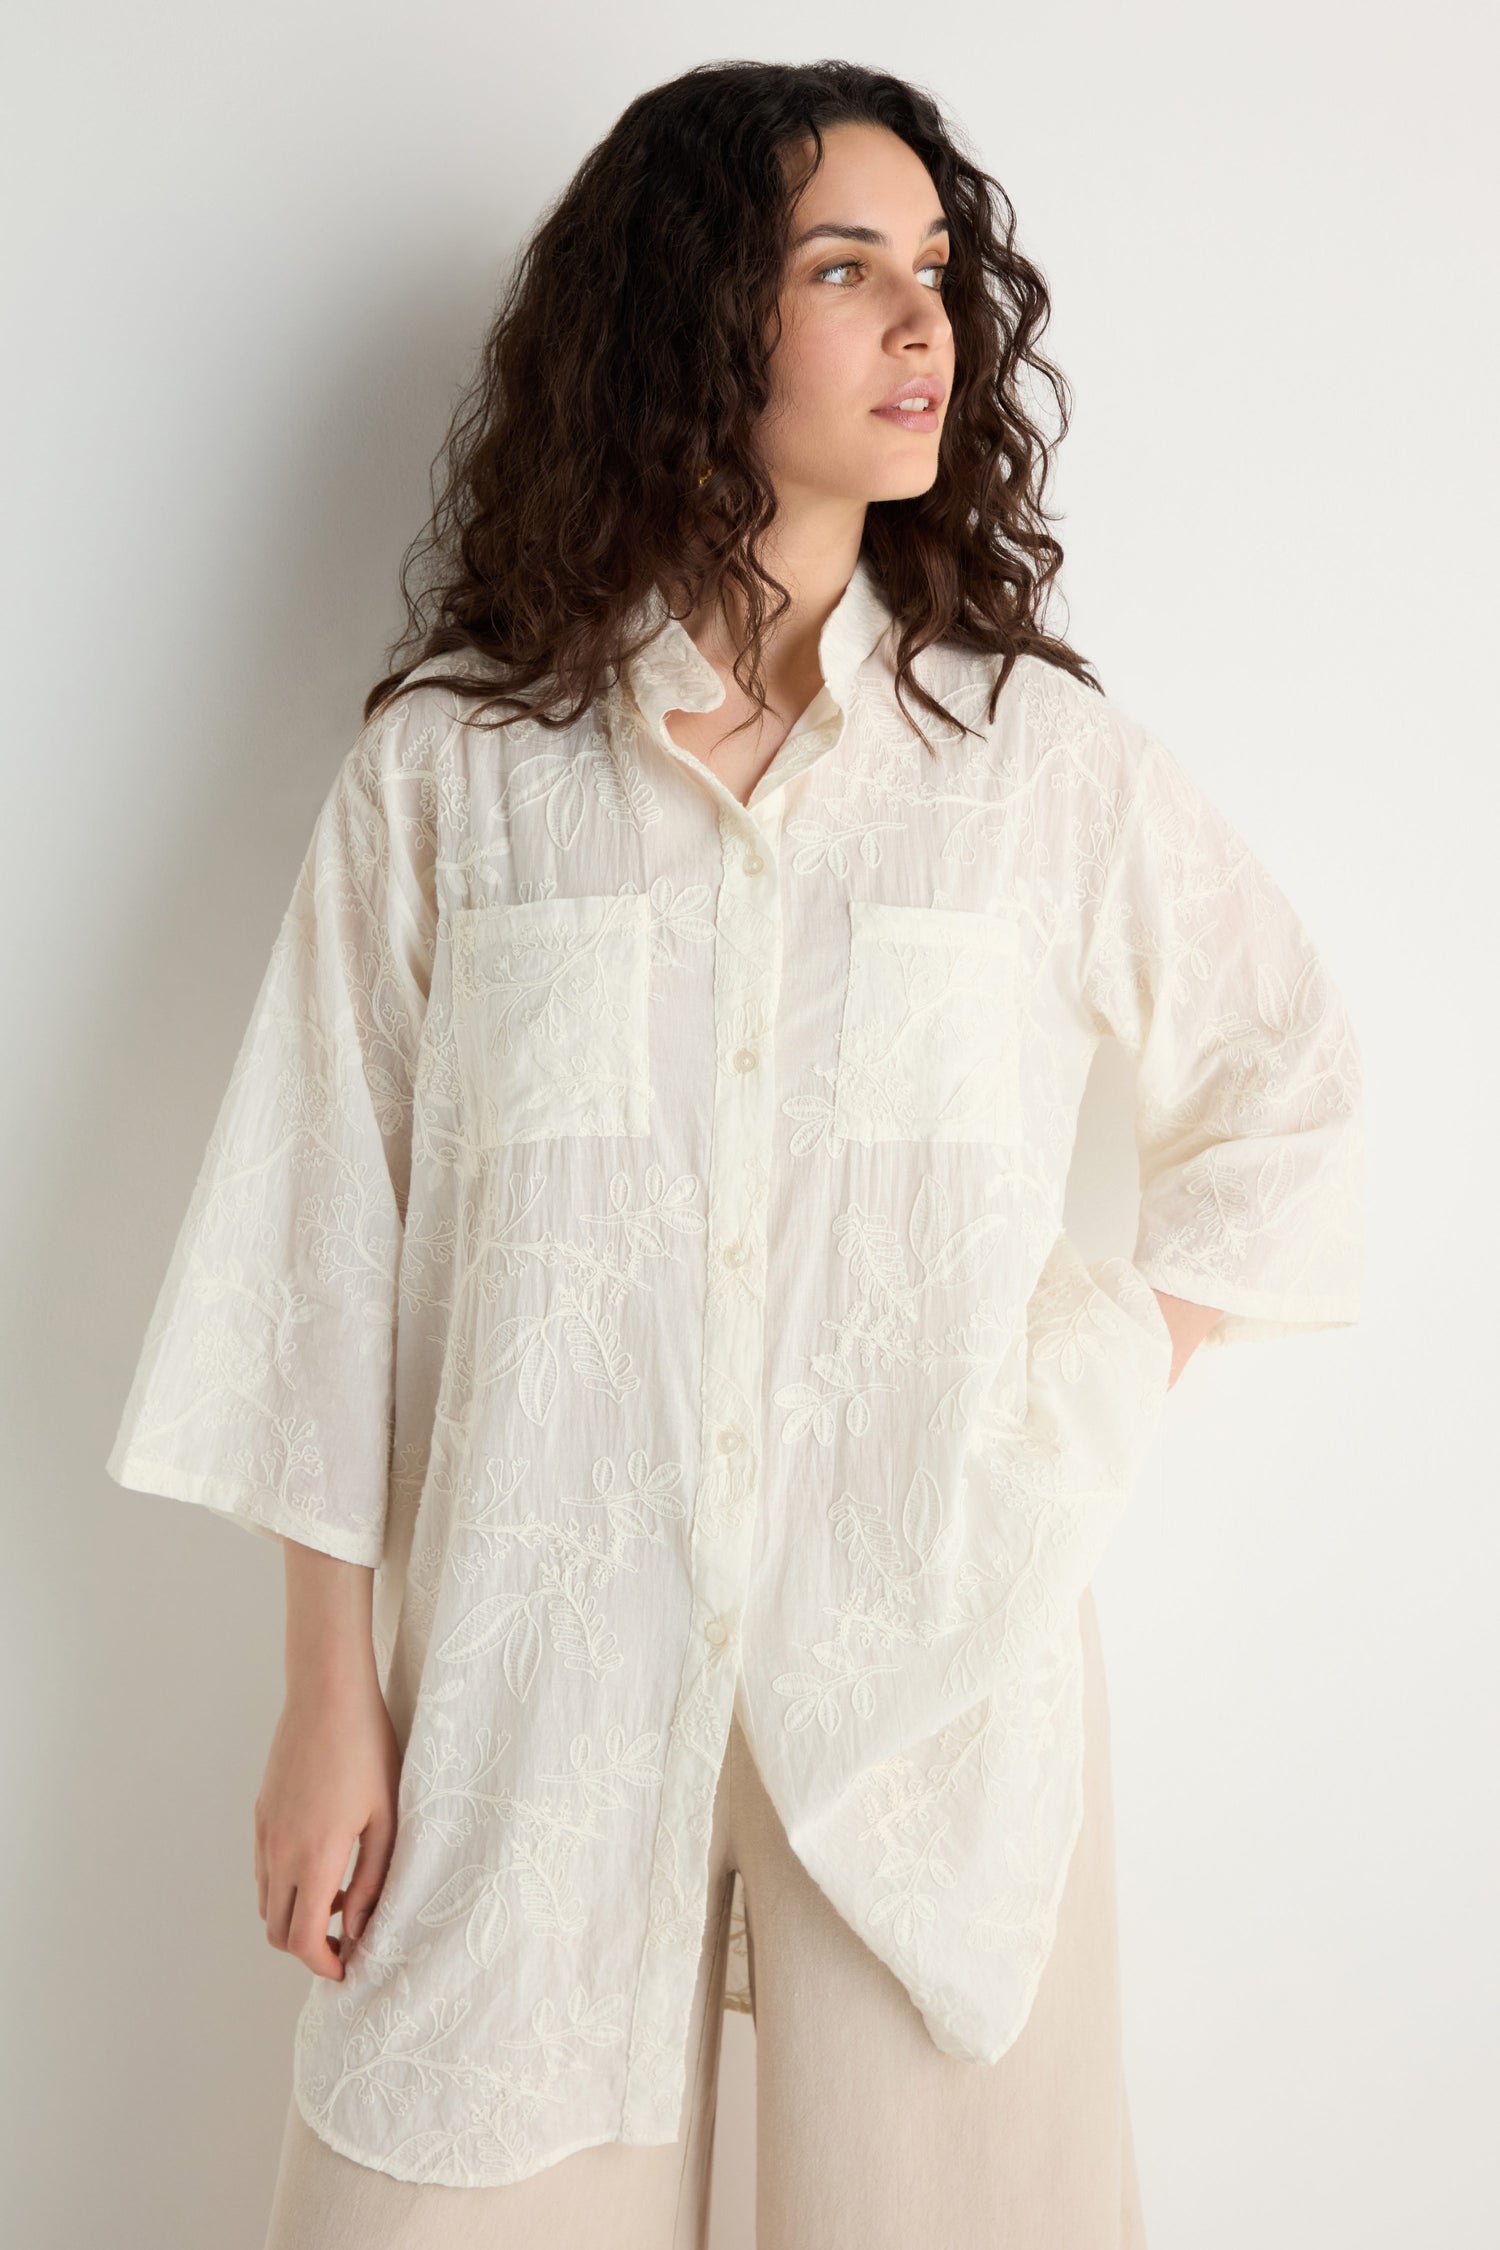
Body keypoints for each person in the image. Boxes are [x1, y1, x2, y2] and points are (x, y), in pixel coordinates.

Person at [106, 58, 1364, 2250]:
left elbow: (1296, 1086)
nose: (922, 329)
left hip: (931, 1702)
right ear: (697, 318)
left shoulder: (1033, 770)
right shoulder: (460, 778)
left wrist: (1078, 1389)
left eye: (940, 276)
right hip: (534, 1700)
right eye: (847, 268)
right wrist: (331, 1703)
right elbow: (319, 1244)